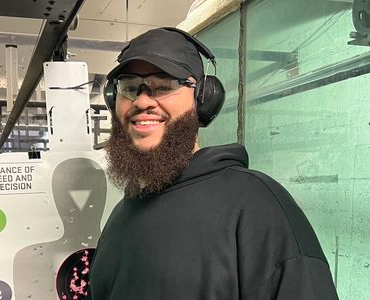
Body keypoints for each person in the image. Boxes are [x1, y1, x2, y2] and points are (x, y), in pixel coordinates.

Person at [87, 27, 339, 300]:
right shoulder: (123, 213)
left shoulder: (256, 206)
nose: (143, 100)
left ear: (203, 99)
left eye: (164, 85)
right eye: (130, 87)